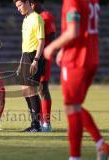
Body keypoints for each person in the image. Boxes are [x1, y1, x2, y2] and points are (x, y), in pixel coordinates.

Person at [44, 0, 109, 159]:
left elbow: (73, 31)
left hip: (76, 60)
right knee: (75, 107)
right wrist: (64, 50)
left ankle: (75, 157)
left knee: (72, 108)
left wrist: (52, 47)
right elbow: (84, 29)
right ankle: (101, 145)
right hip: (91, 57)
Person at [14, 0, 45, 132]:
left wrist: (36, 60)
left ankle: (36, 125)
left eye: (20, 5)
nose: (19, 9)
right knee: (25, 91)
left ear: (28, 3)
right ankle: (34, 122)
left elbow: (41, 41)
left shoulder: (37, 18)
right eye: (17, 7)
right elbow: (25, 43)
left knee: (31, 90)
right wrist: (21, 62)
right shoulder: (26, 19)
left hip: (33, 56)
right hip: (25, 56)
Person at [30, 0, 56, 132]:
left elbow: (52, 36)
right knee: (35, 89)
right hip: (35, 57)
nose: (31, 6)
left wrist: (45, 55)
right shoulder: (33, 17)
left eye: (33, 3)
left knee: (42, 88)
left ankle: (46, 123)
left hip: (43, 58)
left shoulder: (46, 16)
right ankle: (39, 122)